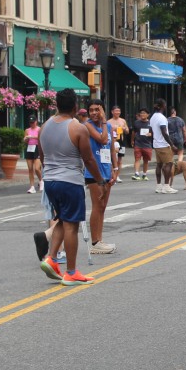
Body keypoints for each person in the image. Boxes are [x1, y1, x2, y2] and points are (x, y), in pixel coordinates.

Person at [38, 87, 104, 286]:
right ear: (75, 106)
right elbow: (89, 159)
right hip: (70, 181)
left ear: (57, 105)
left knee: (62, 219)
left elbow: (42, 156)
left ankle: (51, 258)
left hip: (50, 180)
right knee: (72, 225)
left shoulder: (45, 126)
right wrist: (100, 181)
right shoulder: (78, 128)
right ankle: (71, 272)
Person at [83, 99, 117, 253]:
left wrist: (114, 169)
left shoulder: (108, 126)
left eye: (97, 109)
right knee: (97, 205)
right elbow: (102, 139)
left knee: (103, 207)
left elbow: (111, 148)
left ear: (103, 109)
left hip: (106, 170)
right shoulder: (88, 125)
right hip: (93, 172)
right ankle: (95, 242)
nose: (94, 113)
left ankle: (100, 239)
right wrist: (103, 121)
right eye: (91, 110)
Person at [149, 99, 177, 193]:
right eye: (164, 105)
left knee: (159, 165)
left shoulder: (153, 117)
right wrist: (172, 144)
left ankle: (158, 186)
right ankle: (166, 186)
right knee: (169, 164)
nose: (165, 106)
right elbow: (164, 132)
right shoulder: (162, 118)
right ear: (162, 106)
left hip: (156, 144)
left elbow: (151, 131)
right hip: (163, 144)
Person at [107, 106, 130, 182]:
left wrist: (124, 129)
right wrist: (113, 129)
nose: (117, 112)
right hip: (112, 141)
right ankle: (112, 174)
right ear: (112, 112)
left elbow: (127, 131)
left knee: (120, 159)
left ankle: (117, 176)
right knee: (112, 159)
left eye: (118, 111)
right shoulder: (109, 122)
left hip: (121, 141)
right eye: (116, 111)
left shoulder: (123, 121)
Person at [131, 108, 152, 180]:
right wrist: (132, 140)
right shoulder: (136, 122)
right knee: (137, 159)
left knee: (146, 160)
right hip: (138, 144)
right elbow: (133, 132)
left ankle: (144, 174)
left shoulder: (151, 123)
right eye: (141, 113)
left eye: (144, 113)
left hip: (147, 144)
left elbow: (155, 133)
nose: (142, 114)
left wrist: (151, 134)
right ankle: (136, 174)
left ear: (148, 115)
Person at [23, 117, 42, 194]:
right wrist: (26, 139)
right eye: (30, 122)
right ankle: (32, 186)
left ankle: (41, 180)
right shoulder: (27, 130)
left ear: (36, 122)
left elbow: (41, 138)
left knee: (37, 168)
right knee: (30, 169)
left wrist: (32, 137)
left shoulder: (39, 129)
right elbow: (25, 140)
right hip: (30, 148)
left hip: (37, 148)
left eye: (33, 122)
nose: (32, 124)